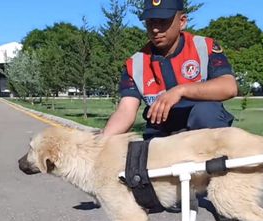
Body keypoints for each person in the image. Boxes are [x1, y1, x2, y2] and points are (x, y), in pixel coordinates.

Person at [102, 0, 238, 139]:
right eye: (150, 22)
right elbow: (125, 111)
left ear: (182, 21)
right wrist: (102, 141)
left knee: (205, 111)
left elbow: (229, 87)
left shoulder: (204, 47)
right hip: (161, 136)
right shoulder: (135, 63)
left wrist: (181, 91)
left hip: (203, 132)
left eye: (163, 21)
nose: (155, 29)